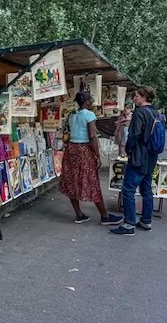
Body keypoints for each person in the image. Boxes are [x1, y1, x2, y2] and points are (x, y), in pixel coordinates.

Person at [59, 91, 123, 225]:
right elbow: (92, 137)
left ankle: (79, 214)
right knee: (92, 181)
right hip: (84, 150)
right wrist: (97, 156)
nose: (92, 101)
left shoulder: (71, 115)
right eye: (91, 99)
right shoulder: (89, 115)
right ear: (87, 101)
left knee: (72, 181)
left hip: (71, 150)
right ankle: (104, 216)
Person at [110, 86, 161, 236]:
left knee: (128, 189)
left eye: (136, 96)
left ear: (144, 96)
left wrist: (129, 149)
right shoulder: (155, 112)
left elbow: (134, 135)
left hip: (139, 155)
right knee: (146, 189)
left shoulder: (140, 112)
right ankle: (146, 220)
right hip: (151, 156)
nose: (134, 98)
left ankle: (129, 224)